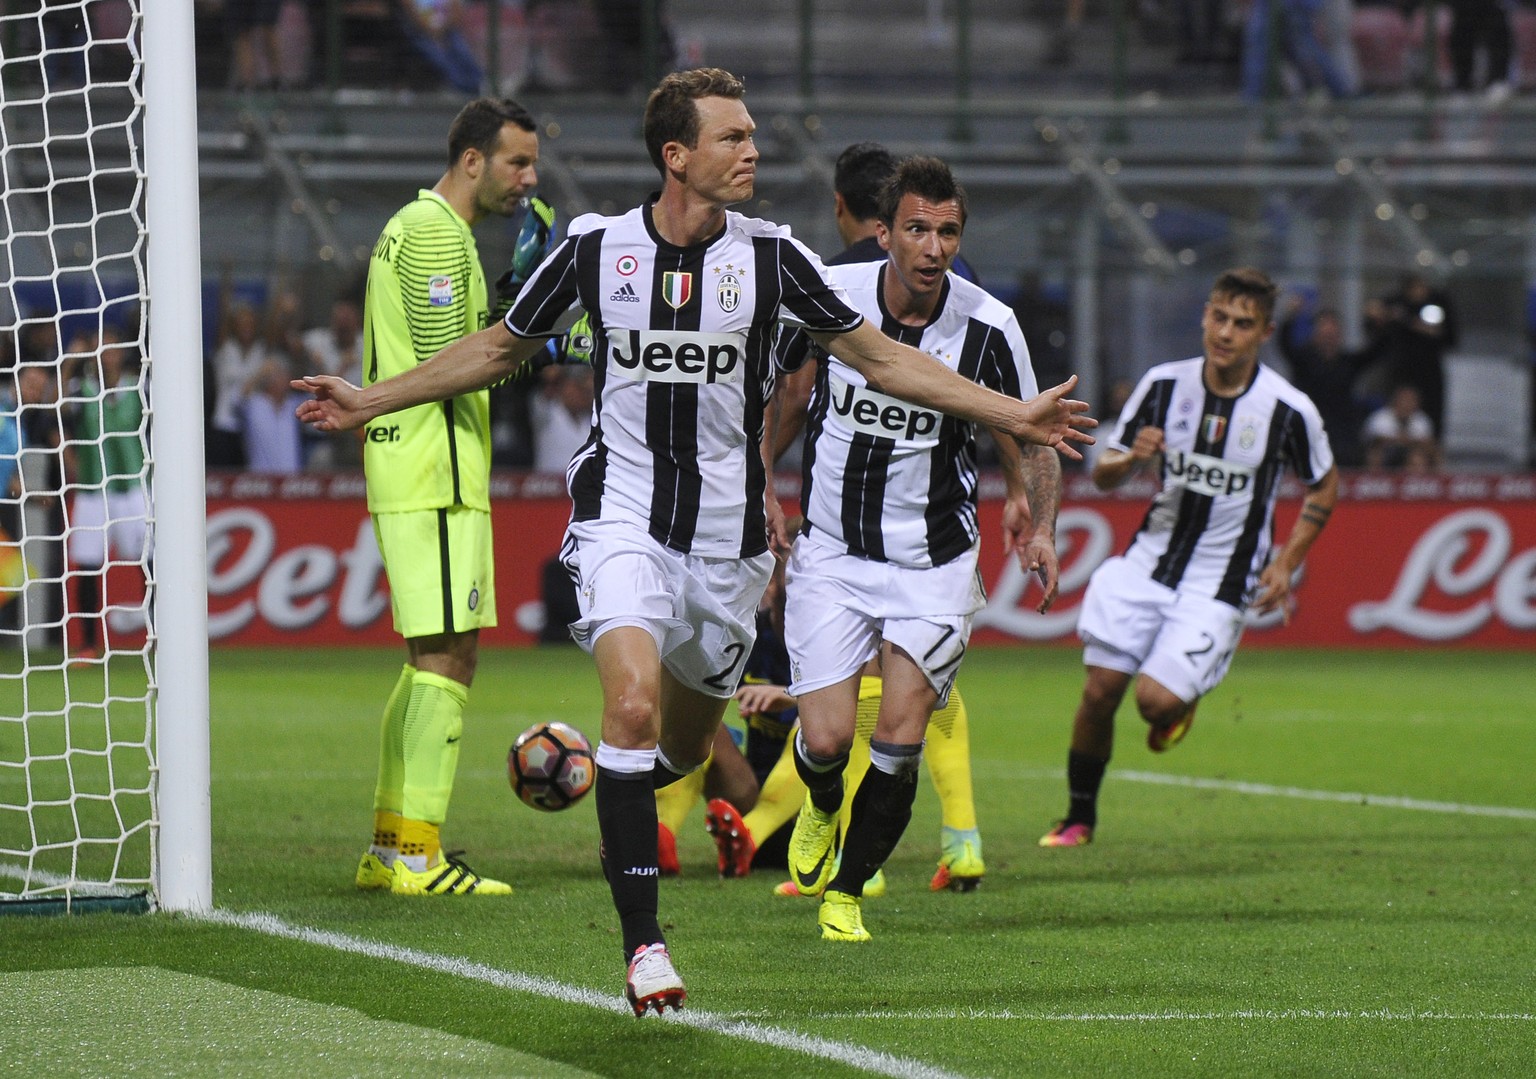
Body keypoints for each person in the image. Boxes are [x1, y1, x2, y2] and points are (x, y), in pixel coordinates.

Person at [293, 68, 1094, 1014]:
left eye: (751, 134)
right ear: (677, 156)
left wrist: (1016, 415)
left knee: (677, 745)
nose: (752, 150)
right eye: (732, 136)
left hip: (729, 547)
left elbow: (885, 358)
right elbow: (502, 345)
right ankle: (645, 949)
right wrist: (370, 393)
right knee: (628, 707)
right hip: (621, 513)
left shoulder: (775, 259)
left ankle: (617, 783)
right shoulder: (595, 250)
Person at [768, 155, 1064, 943]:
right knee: (826, 739)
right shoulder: (833, 296)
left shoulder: (989, 325)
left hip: (933, 562)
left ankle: (849, 892)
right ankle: (823, 801)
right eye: (918, 229)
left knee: (898, 738)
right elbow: (790, 396)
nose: (933, 247)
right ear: (884, 232)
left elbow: (1029, 432)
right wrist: (761, 481)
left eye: (948, 231)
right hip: (832, 553)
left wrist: (1038, 522)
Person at [1039, 267, 1338, 849]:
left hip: (1220, 582)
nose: (1226, 332)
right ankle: (1078, 818)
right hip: (1148, 563)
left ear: (1265, 334)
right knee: (1100, 692)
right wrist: (1129, 462)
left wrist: (1285, 562)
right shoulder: (1163, 386)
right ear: (1206, 316)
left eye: (1242, 324)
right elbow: (1101, 473)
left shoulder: (1287, 408)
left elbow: (1324, 486)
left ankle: (1177, 705)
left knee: (1154, 704)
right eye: (1219, 317)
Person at [344, 97, 547, 900]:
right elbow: (450, 362)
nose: (529, 182)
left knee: (426, 658)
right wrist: (535, 326)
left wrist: (506, 316)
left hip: (421, 469)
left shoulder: (421, 226)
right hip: (434, 471)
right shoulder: (434, 231)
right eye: (517, 163)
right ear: (473, 160)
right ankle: (417, 857)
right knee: (449, 657)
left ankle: (392, 840)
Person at [66, 327, 150, 663]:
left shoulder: (139, 385)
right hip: (92, 488)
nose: (107, 355)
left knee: (150, 562)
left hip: (133, 485)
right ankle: (88, 642)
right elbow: (54, 416)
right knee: (87, 565)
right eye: (101, 348)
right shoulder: (79, 389)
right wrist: (69, 362)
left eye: (112, 349)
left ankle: (159, 633)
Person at [1276, 298, 1376, 467]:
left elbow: (1377, 351)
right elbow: (1284, 343)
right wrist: (1291, 317)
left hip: (1342, 435)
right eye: (1324, 328)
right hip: (1307, 431)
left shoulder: (1349, 363)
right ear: (1315, 332)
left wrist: (1374, 322)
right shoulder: (1303, 360)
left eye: (1333, 329)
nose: (1329, 333)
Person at [1372, 273, 1457, 439]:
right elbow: (1375, 320)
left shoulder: (1438, 302)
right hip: (1400, 370)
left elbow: (1450, 337)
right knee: (1392, 424)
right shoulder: (1395, 304)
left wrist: (1417, 324)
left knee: (1429, 425)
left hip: (1428, 374)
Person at [1362, 383, 1441, 470]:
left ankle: (1421, 481)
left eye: (1411, 400)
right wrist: (1404, 440)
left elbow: (1427, 443)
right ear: (1396, 400)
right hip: (1387, 453)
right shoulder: (1380, 416)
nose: (1408, 404)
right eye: (1405, 400)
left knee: (1419, 457)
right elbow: (1377, 441)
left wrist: (1404, 440)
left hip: (1410, 452)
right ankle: (1375, 481)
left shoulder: (1421, 419)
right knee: (1375, 454)